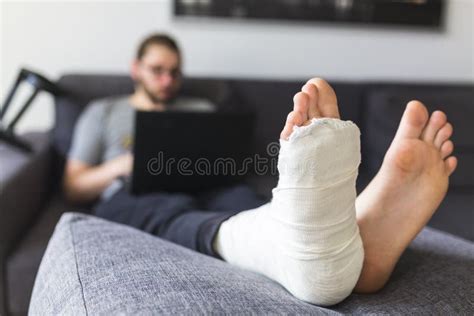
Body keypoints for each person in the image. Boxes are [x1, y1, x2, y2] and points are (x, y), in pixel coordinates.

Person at [63, 33, 457, 306]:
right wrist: (124, 164)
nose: (167, 80)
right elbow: (74, 185)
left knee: (239, 197)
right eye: (157, 70)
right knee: (166, 209)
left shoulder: (199, 110)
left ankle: (314, 238)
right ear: (136, 68)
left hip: (210, 184)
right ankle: (309, 243)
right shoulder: (103, 113)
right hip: (136, 191)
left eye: (174, 72)